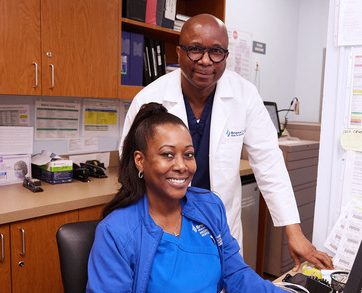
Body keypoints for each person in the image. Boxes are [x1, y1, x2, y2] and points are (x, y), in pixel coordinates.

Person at [121, 13, 333, 270]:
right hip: (162, 225)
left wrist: (294, 230)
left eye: (216, 51)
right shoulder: (150, 97)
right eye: (195, 50)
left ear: (226, 56)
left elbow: (269, 162)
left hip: (219, 227)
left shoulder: (244, 95)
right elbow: (130, 170)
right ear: (178, 52)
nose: (206, 61)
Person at [84, 103, 335, 293]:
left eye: (189, 154)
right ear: (140, 160)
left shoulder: (207, 206)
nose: (182, 166)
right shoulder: (116, 231)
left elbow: (236, 273)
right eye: (168, 155)